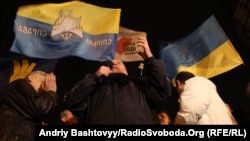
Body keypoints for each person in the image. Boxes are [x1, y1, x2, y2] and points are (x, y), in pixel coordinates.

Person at [63, 36, 172, 124]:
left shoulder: (139, 85)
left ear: (126, 71)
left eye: (119, 63)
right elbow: (71, 101)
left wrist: (150, 58)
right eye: (111, 64)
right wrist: (95, 77)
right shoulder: (95, 89)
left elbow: (163, 89)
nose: (114, 64)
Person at [0, 70, 58, 141]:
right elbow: (37, 107)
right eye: (43, 83)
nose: (45, 88)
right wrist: (51, 91)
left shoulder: (32, 102)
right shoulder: (19, 84)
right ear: (31, 78)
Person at [174, 71, 238, 125]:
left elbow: (190, 113)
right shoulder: (202, 87)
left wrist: (176, 123)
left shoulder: (194, 84)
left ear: (178, 83)